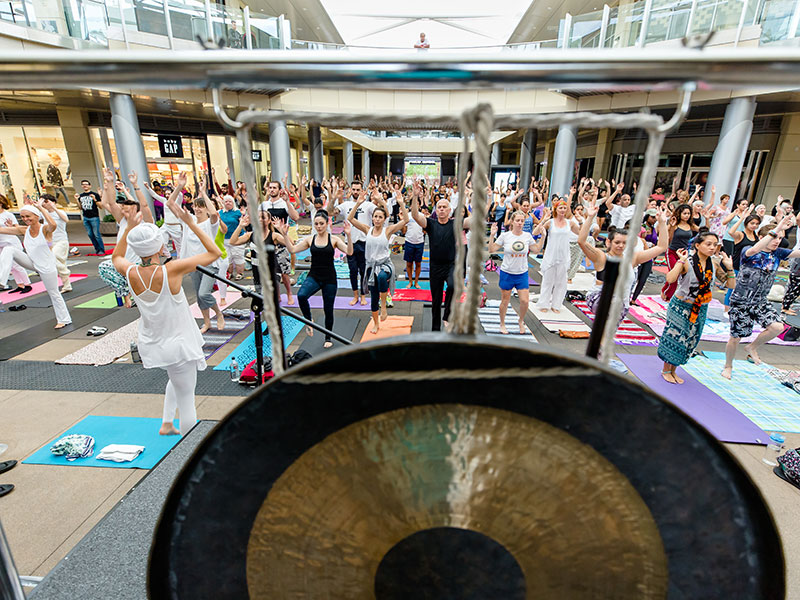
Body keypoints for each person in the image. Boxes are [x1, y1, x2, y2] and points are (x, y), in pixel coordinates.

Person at [112, 211, 220, 436]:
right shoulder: (171, 269)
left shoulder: (129, 270)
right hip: (178, 344)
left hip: (156, 343)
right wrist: (192, 224)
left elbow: (116, 256)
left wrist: (128, 229)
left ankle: (167, 423)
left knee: (177, 381)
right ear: (159, 246)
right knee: (187, 400)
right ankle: (188, 449)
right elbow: (214, 253)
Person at [722, 216, 800, 379]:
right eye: (774, 237)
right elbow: (755, 250)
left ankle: (752, 347)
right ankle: (728, 365)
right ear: (762, 238)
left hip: (760, 302)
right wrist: (777, 227)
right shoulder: (748, 252)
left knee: (777, 327)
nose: (777, 241)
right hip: (741, 301)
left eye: (780, 238)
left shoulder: (778, 253)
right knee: (736, 337)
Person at [657, 232, 735, 384]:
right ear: (698, 245)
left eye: (715, 244)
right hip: (681, 305)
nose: (712, 248)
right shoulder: (688, 262)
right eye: (708, 244)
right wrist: (680, 262)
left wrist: (730, 268)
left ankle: (674, 370)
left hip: (700, 307)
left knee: (690, 339)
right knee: (676, 337)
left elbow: (731, 285)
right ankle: (666, 370)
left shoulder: (715, 263)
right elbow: (670, 279)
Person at [578, 202, 669, 325]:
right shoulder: (602, 257)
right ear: (608, 242)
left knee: (609, 333)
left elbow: (662, 247)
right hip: (599, 300)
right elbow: (582, 241)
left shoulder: (632, 258)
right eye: (617, 242)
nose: (621, 246)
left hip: (622, 304)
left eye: (624, 243)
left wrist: (662, 223)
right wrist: (589, 218)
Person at [282, 211, 353, 348]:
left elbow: (349, 252)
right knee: (301, 296)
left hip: (329, 279)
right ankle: (309, 320)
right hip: (314, 276)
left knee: (328, 309)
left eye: (321, 224)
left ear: (327, 224)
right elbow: (292, 250)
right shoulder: (310, 239)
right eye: (316, 224)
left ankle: (328, 337)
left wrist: (349, 236)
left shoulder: (334, 240)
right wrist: (285, 235)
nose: (319, 226)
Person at [166, 172, 226, 334]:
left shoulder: (210, 224)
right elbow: (170, 203)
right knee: (199, 297)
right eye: (195, 206)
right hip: (192, 264)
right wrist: (179, 186)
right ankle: (207, 322)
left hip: (209, 263)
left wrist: (204, 193)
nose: (197, 208)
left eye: (201, 206)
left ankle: (219, 314)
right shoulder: (188, 220)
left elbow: (214, 214)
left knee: (204, 293)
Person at [411, 182, 472, 331]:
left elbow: (474, 219)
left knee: (452, 286)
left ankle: (448, 314)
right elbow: (414, 215)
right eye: (439, 207)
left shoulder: (455, 223)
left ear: (450, 211)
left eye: (445, 207)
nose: (442, 209)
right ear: (436, 210)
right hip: (435, 267)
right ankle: (435, 329)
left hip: (451, 265)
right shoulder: (430, 224)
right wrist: (414, 196)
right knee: (436, 301)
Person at [0, 203, 71, 328]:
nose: (25, 219)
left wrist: (41, 208)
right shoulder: (24, 230)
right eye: (22, 217)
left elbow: (53, 225)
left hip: (47, 266)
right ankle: (1, 281)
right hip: (31, 262)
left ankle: (64, 320)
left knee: (54, 293)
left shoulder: (45, 229)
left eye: (28, 216)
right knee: (9, 249)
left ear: (37, 216)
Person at [348, 192, 409, 334]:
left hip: (385, 265)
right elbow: (350, 218)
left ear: (384, 219)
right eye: (375, 216)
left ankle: (384, 305)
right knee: (373, 297)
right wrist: (358, 203)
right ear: (372, 218)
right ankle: (376, 323)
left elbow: (406, 220)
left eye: (380, 217)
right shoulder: (367, 229)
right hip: (370, 266)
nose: (377, 219)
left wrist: (400, 202)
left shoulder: (387, 231)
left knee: (382, 277)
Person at [97, 169, 155, 308]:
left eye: (128, 210)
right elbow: (110, 203)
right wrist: (109, 182)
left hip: (139, 263)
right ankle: (125, 293)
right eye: (123, 209)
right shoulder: (122, 220)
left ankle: (132, 295)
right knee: (103, 267)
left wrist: (135, 185)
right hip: (123, 262)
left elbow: (145, 205)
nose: (124, 212)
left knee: (146, 298)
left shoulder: (145, 222)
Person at [488, 212, 537, 334]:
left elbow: (536, 249)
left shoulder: (527, 236)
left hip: (522, 273)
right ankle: (502, 323)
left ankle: (521, 321)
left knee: (525, 301)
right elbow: (491, 249)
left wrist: (544, 236)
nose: (520, 223)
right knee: (505, 300)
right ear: (512, 222)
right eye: (518, 220)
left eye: (522, 221)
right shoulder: (505, 236)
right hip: (507, 272)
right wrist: (492, 235)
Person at [261, 178, 300, 305]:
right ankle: (277, 295)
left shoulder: (283, 203)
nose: (272, 190)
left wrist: (287, 201)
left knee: (284, 272)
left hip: (282, 240)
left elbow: (296, 217)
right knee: (272, 271)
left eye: (274, 188)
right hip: (267, 240)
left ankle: (289, 294)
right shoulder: (264, 205)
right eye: (270, 187)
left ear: (279, 190)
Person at [536, 201, 580, 312]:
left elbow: (581, 234)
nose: (563, 210)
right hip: (551, 255)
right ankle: (544, 304)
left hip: (564, 255)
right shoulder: (550, 222)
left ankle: (556, 305)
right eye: (560, 208)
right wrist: (544, 219)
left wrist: (581, 222)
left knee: (561, 282)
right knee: (548, 281)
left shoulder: (570, 223)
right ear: (556, 209)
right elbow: (536, 232)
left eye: (565, 208)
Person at [336, 180, 374, 306]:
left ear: (362, 190)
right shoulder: (346, 205)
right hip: (350, 242)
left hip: (364, 242)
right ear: (350, 190)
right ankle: (355, 295)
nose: (356, 192)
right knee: (352, 271)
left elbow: (383, 212)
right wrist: (333, 197)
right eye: (354, 189)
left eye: (358, 189)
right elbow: (332, 211)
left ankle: (363, 295)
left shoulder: (368, 205)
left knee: (364, 271)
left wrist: (378, 199)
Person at [724, 208, 761, 308]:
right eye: (752, 223)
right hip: (737, 265)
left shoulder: (756, 236)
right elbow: (731, 232)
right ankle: (726, 309)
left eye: (757, 224)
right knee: (732, 289)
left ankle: (737, 308)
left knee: (744, 290)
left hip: (750, 267)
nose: (754, 226)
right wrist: (741, 219)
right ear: (746, 223)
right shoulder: (741, 234)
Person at [662, 203, 697, 301]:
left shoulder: (691, 225)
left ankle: (667, 292)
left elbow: (704, 230)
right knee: (674, 274)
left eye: (688, 213)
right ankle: (667, 295)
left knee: (685, 276)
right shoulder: (675, 224)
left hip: (684, 254)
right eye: (684, 213)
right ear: (680, 214)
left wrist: (707, 219)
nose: (687, 215)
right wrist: (671, 227)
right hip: (672, 252)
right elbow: (668, 238)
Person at [0, 194, 32, 293]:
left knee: (17, 265)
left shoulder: (7, 215)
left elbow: (18, 228)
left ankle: (27, 284)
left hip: (11, 242)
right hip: (1, 243)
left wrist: (10, 226)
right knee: (10, 266)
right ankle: (20, 285)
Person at [40, 194, 72, 293]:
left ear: (53, 202)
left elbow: (66, 220)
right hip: (50, 241)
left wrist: (55, 208)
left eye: (46, 201)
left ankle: (66, 275)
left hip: (61, 241)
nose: (45, 204)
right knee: (58, 262)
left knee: (54, 257)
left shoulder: (60, 212)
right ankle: (67, 285)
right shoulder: (44, 213)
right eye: (43, 202)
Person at [76, 179, 106, 255]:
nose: (84, 185)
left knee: (96, 234)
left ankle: (101, 249)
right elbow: (80, 207)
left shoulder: (94, 194)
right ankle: (97, 249)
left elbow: (101, 206)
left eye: (86, 184)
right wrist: (76, 200)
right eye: (83, 184)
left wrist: (95, 199)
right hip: (85, 217)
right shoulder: (81, 196)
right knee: (90, 234)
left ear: (90, 186)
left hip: (94, 217)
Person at [219, 194, 244, 280]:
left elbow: (243, 223)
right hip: (224, 238)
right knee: (227, 257)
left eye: (230, 201)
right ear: (223, 203)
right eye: (226, 201)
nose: (228, 203)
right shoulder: (220, 212)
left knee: (238, 256)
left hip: (238, 238)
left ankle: (239, 273)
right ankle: (229, 273)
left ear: (233, 203)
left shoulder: (238, 212)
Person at [403, 197, 427, 288]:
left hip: (419, 242)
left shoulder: (422, 215)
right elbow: (404, 231)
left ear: (419, 205)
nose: (415, 205)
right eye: (413, 203)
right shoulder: (407, 216)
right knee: (409, 263)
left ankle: (416, 282)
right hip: (409, 241)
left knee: (418, 263)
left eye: (417, 203)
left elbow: (425, 230)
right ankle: (410, 281)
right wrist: (402, 220)